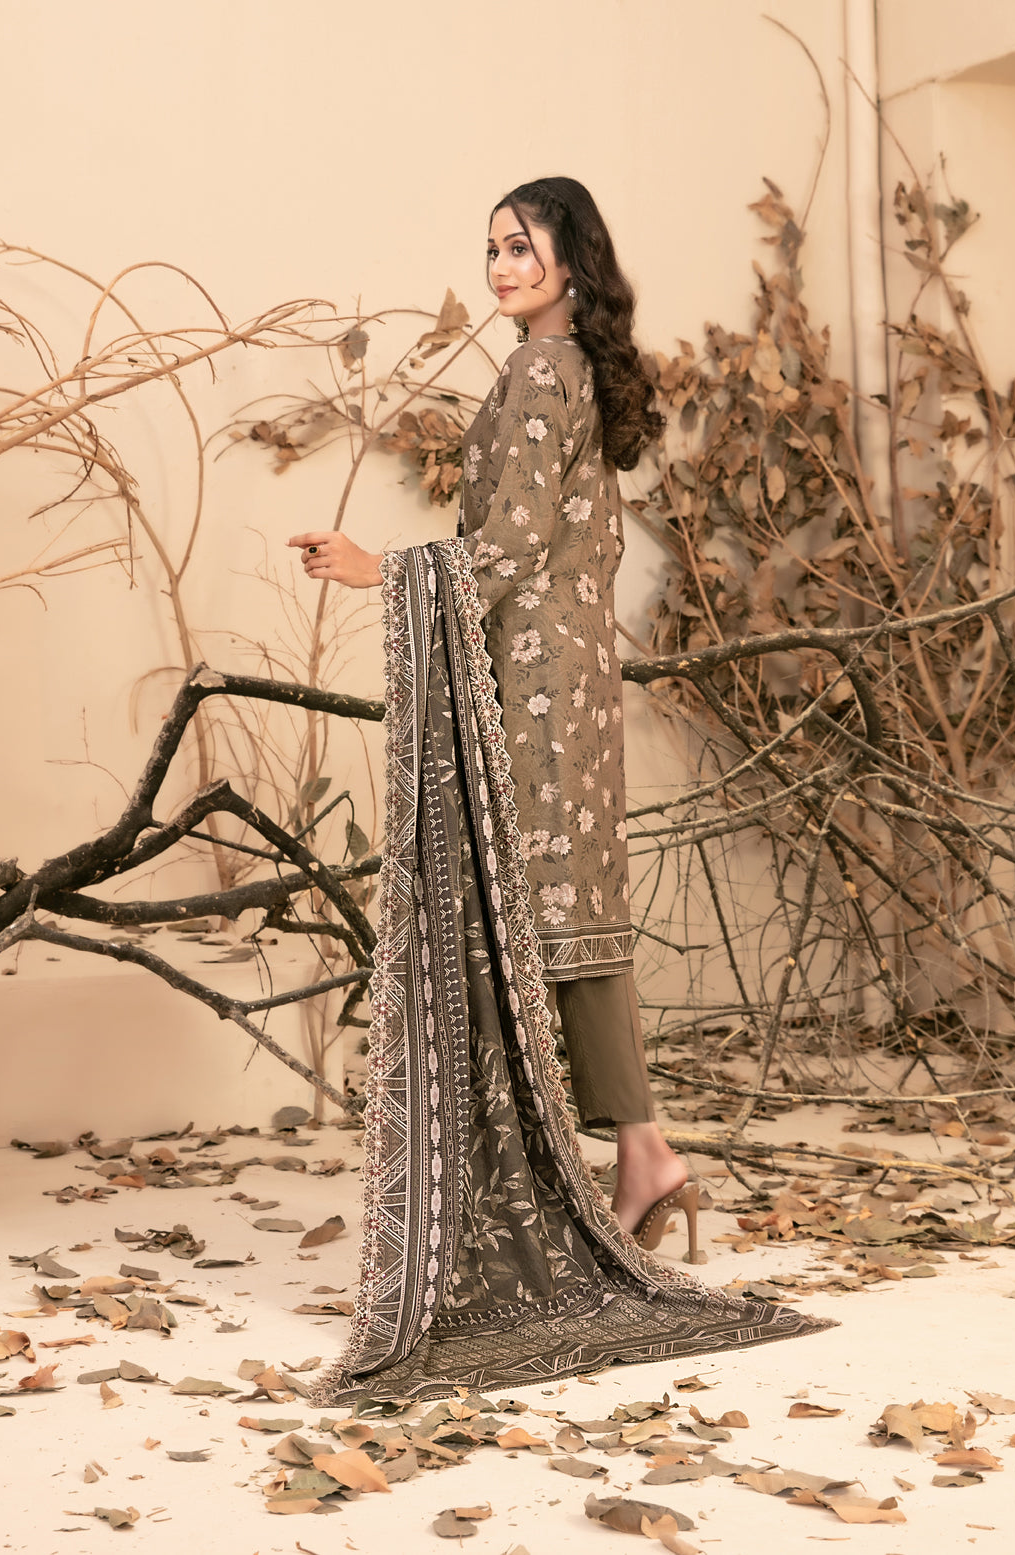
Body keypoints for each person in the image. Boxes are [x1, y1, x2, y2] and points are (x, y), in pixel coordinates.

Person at [290, 178, 833, 1403]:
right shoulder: (559, 364)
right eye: (488, 247)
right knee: (563, 907)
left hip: (536, 673)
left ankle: (569, 1168)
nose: (498, 265)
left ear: (571, 261)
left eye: (518, 245)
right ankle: (642, 1153)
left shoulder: (542, 370)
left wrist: (383, 569)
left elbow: (516, 541)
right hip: (561, 667)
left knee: (529, 912)